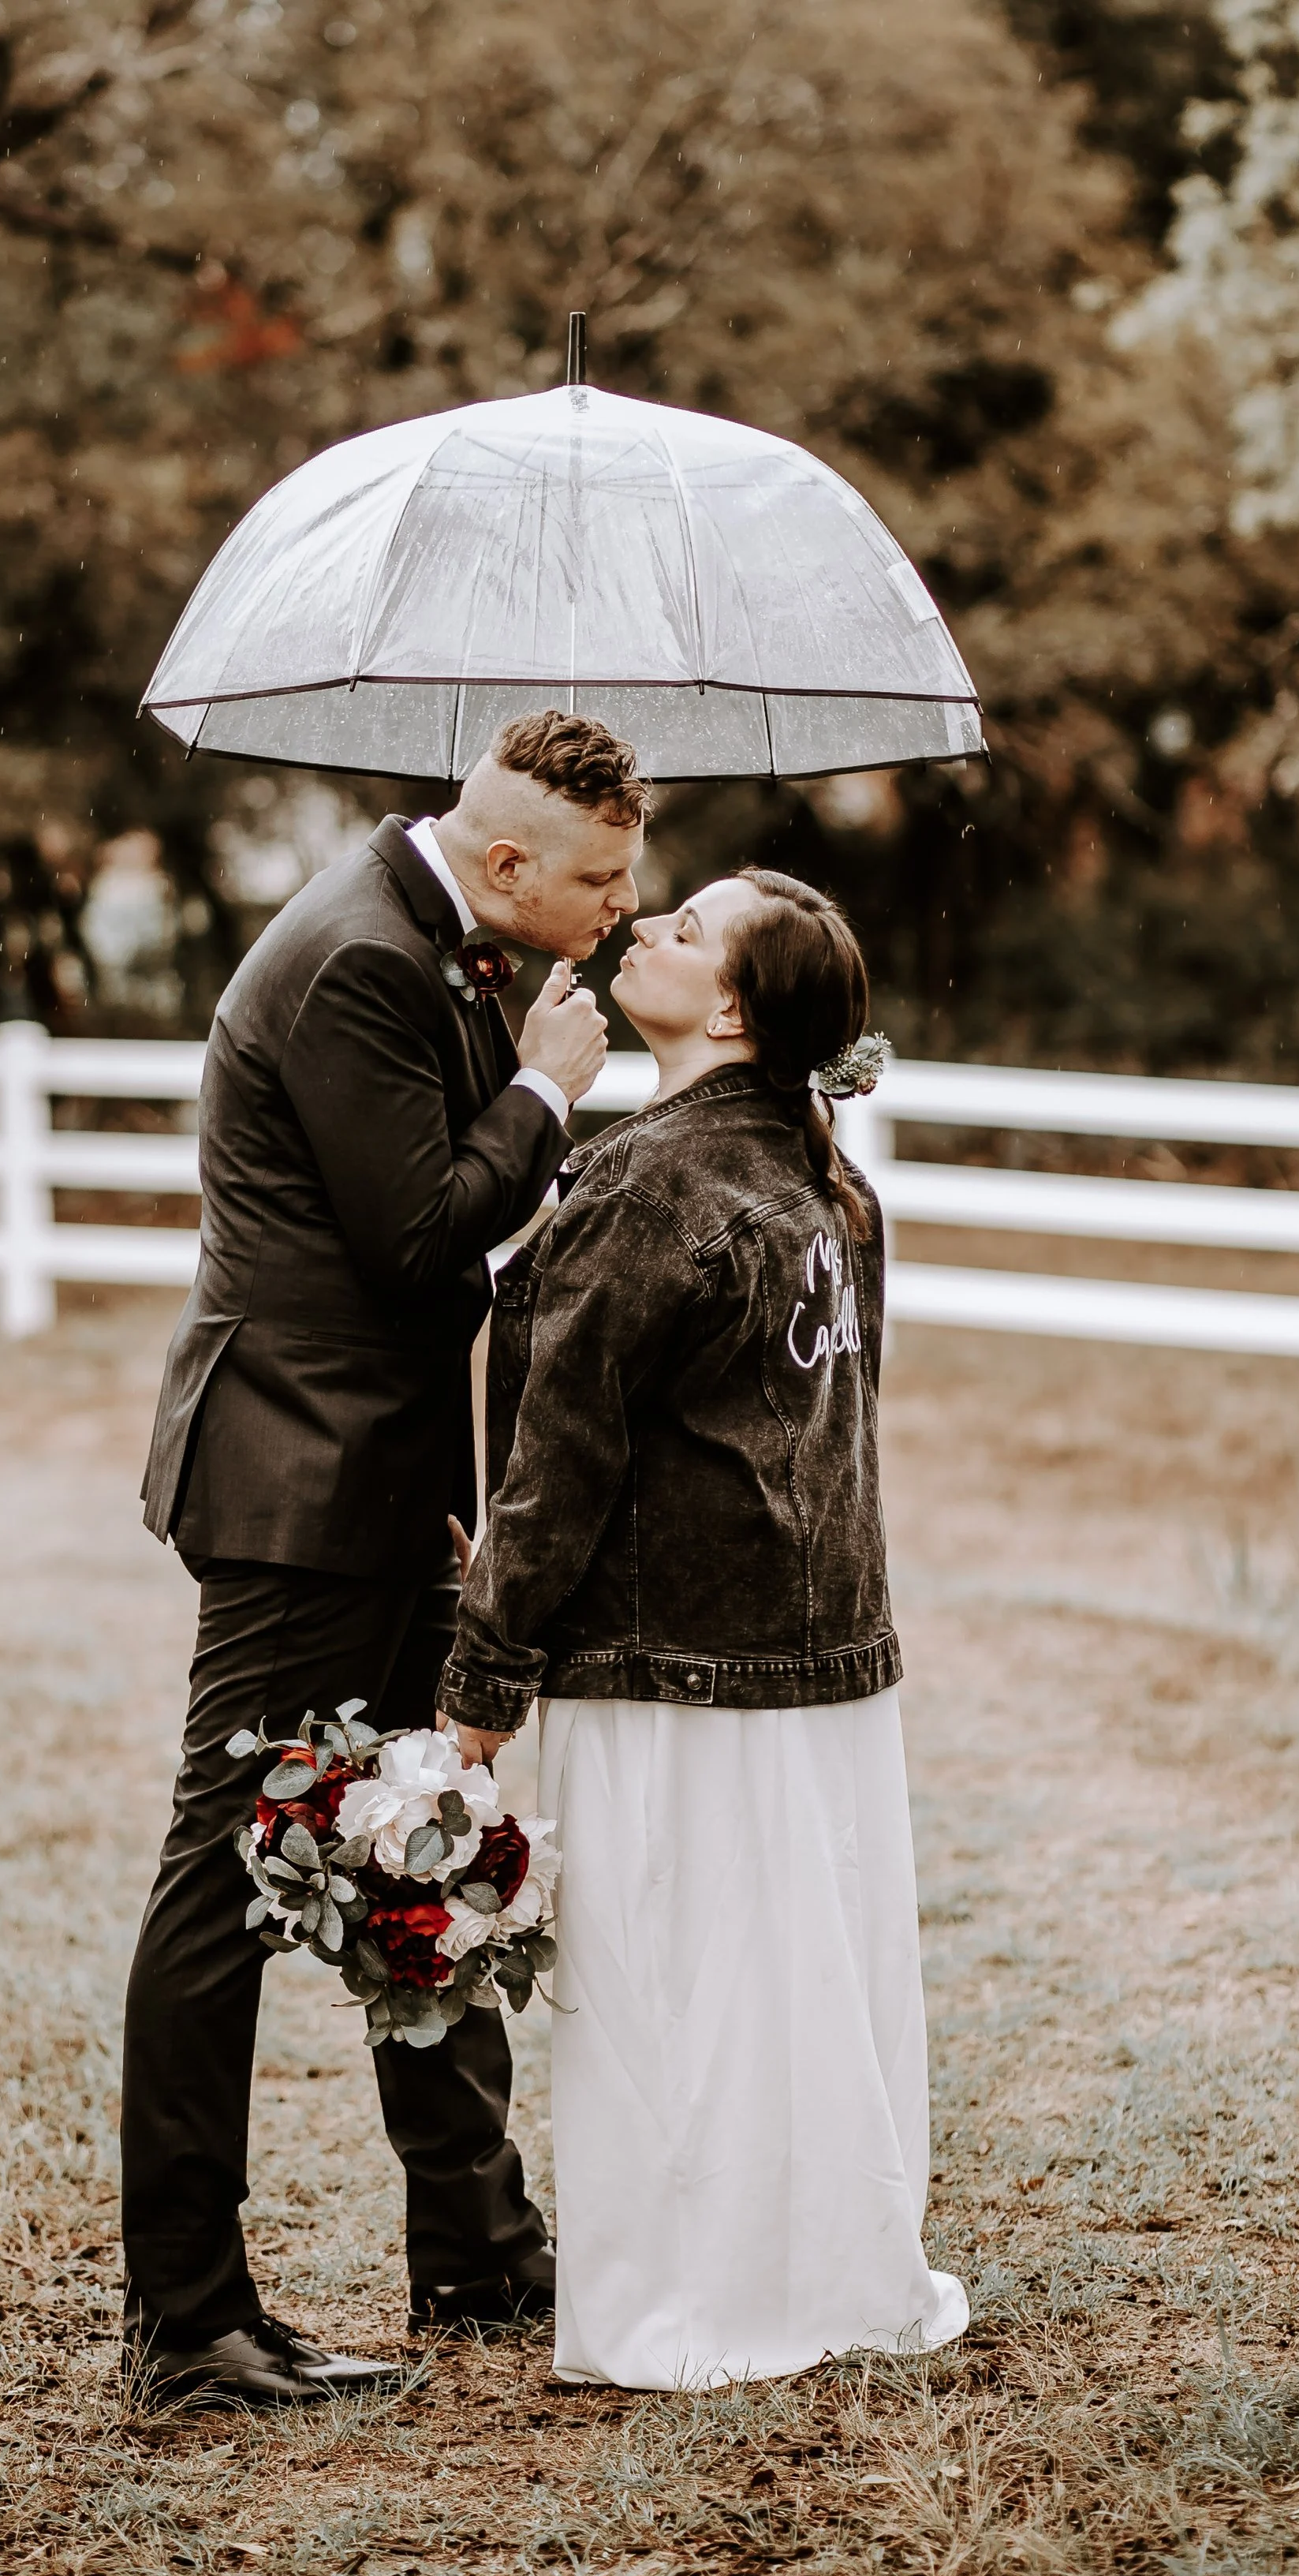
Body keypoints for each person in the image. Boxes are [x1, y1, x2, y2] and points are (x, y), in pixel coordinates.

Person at [122, 710, 646, 2411]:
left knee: (426, 1843)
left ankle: (477, 2248)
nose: (620, 909)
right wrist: (547, 1093)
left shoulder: (453, 938)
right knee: (222, 1882)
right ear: (506, 860)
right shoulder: (356, 958)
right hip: (293, 1485)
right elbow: (422, 1243)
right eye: (599, 876)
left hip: (381, 1478)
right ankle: (187, 2317)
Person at [438, 869, 969, 2391]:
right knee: (795, 1982)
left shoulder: (657, 1186)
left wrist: (486, 1675)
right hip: (816, 1654)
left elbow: (567, 1460)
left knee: (675, 1992)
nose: (647, 927)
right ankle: (808, 2266)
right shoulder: (824, 1182)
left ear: (730, 1008)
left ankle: (695, 2305)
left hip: (675, 1662)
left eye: (683, 927)